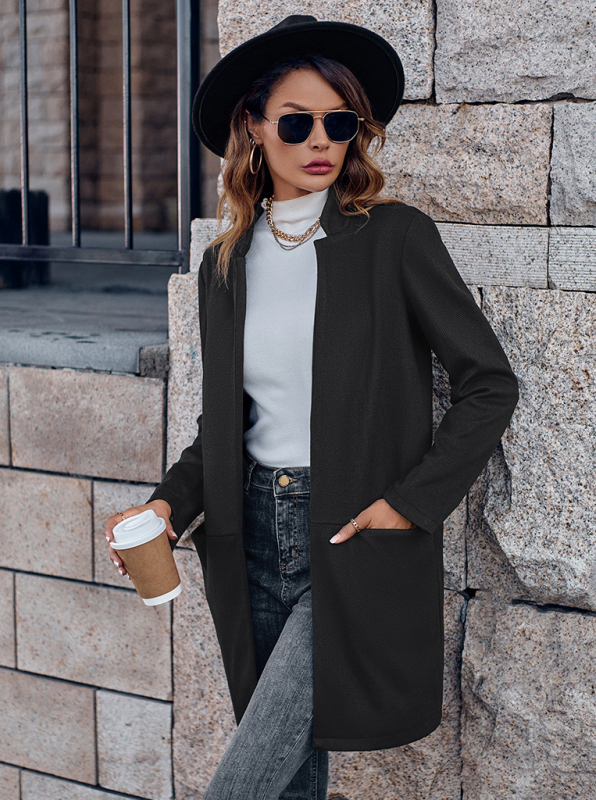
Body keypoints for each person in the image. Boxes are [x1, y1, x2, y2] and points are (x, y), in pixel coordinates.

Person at [104, 14, 519, 800]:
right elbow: (225, 426)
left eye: (340, 122)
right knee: (290, 782)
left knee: (244, 781)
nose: (321, 140)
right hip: (252, 535)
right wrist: (166, 506)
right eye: (296, 122)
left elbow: (490, 383)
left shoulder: (395, 238)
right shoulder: (224, 265)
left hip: (351, 533)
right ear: (255, 128)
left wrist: (409, 505)